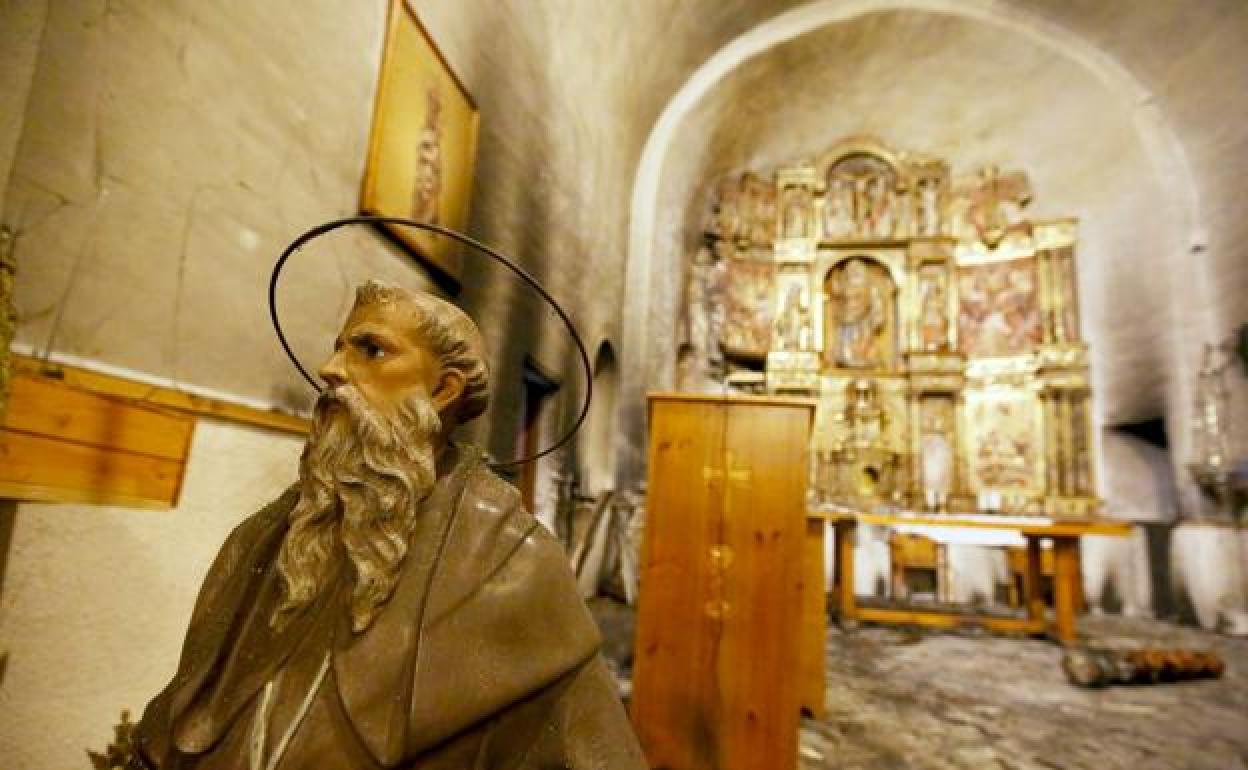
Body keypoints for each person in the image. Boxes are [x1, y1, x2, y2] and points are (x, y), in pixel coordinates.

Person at [132, 281, 646, 769]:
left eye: (370, 350)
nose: (331, 369)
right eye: (339, 347)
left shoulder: (512, 562)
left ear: (444, 390)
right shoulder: (265, 535)